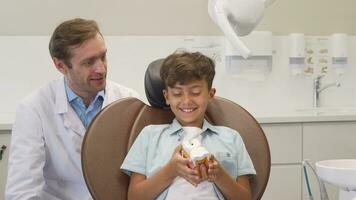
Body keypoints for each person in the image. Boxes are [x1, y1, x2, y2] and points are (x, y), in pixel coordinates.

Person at [6, 18, 139, 200]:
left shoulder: (129, 101)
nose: (101, 68)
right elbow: (22, 192)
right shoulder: (34, 109)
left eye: (103, 57)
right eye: (89, 62)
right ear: (60, 66)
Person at [121, 52, 256, 200]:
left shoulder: (231, 138)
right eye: (177, 93)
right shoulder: (150, 136)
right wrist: (170, 171)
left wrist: (219, 175)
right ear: (167, 97)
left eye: (195, 92)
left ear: (210, 94)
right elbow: (134, 197)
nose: (186, 101)